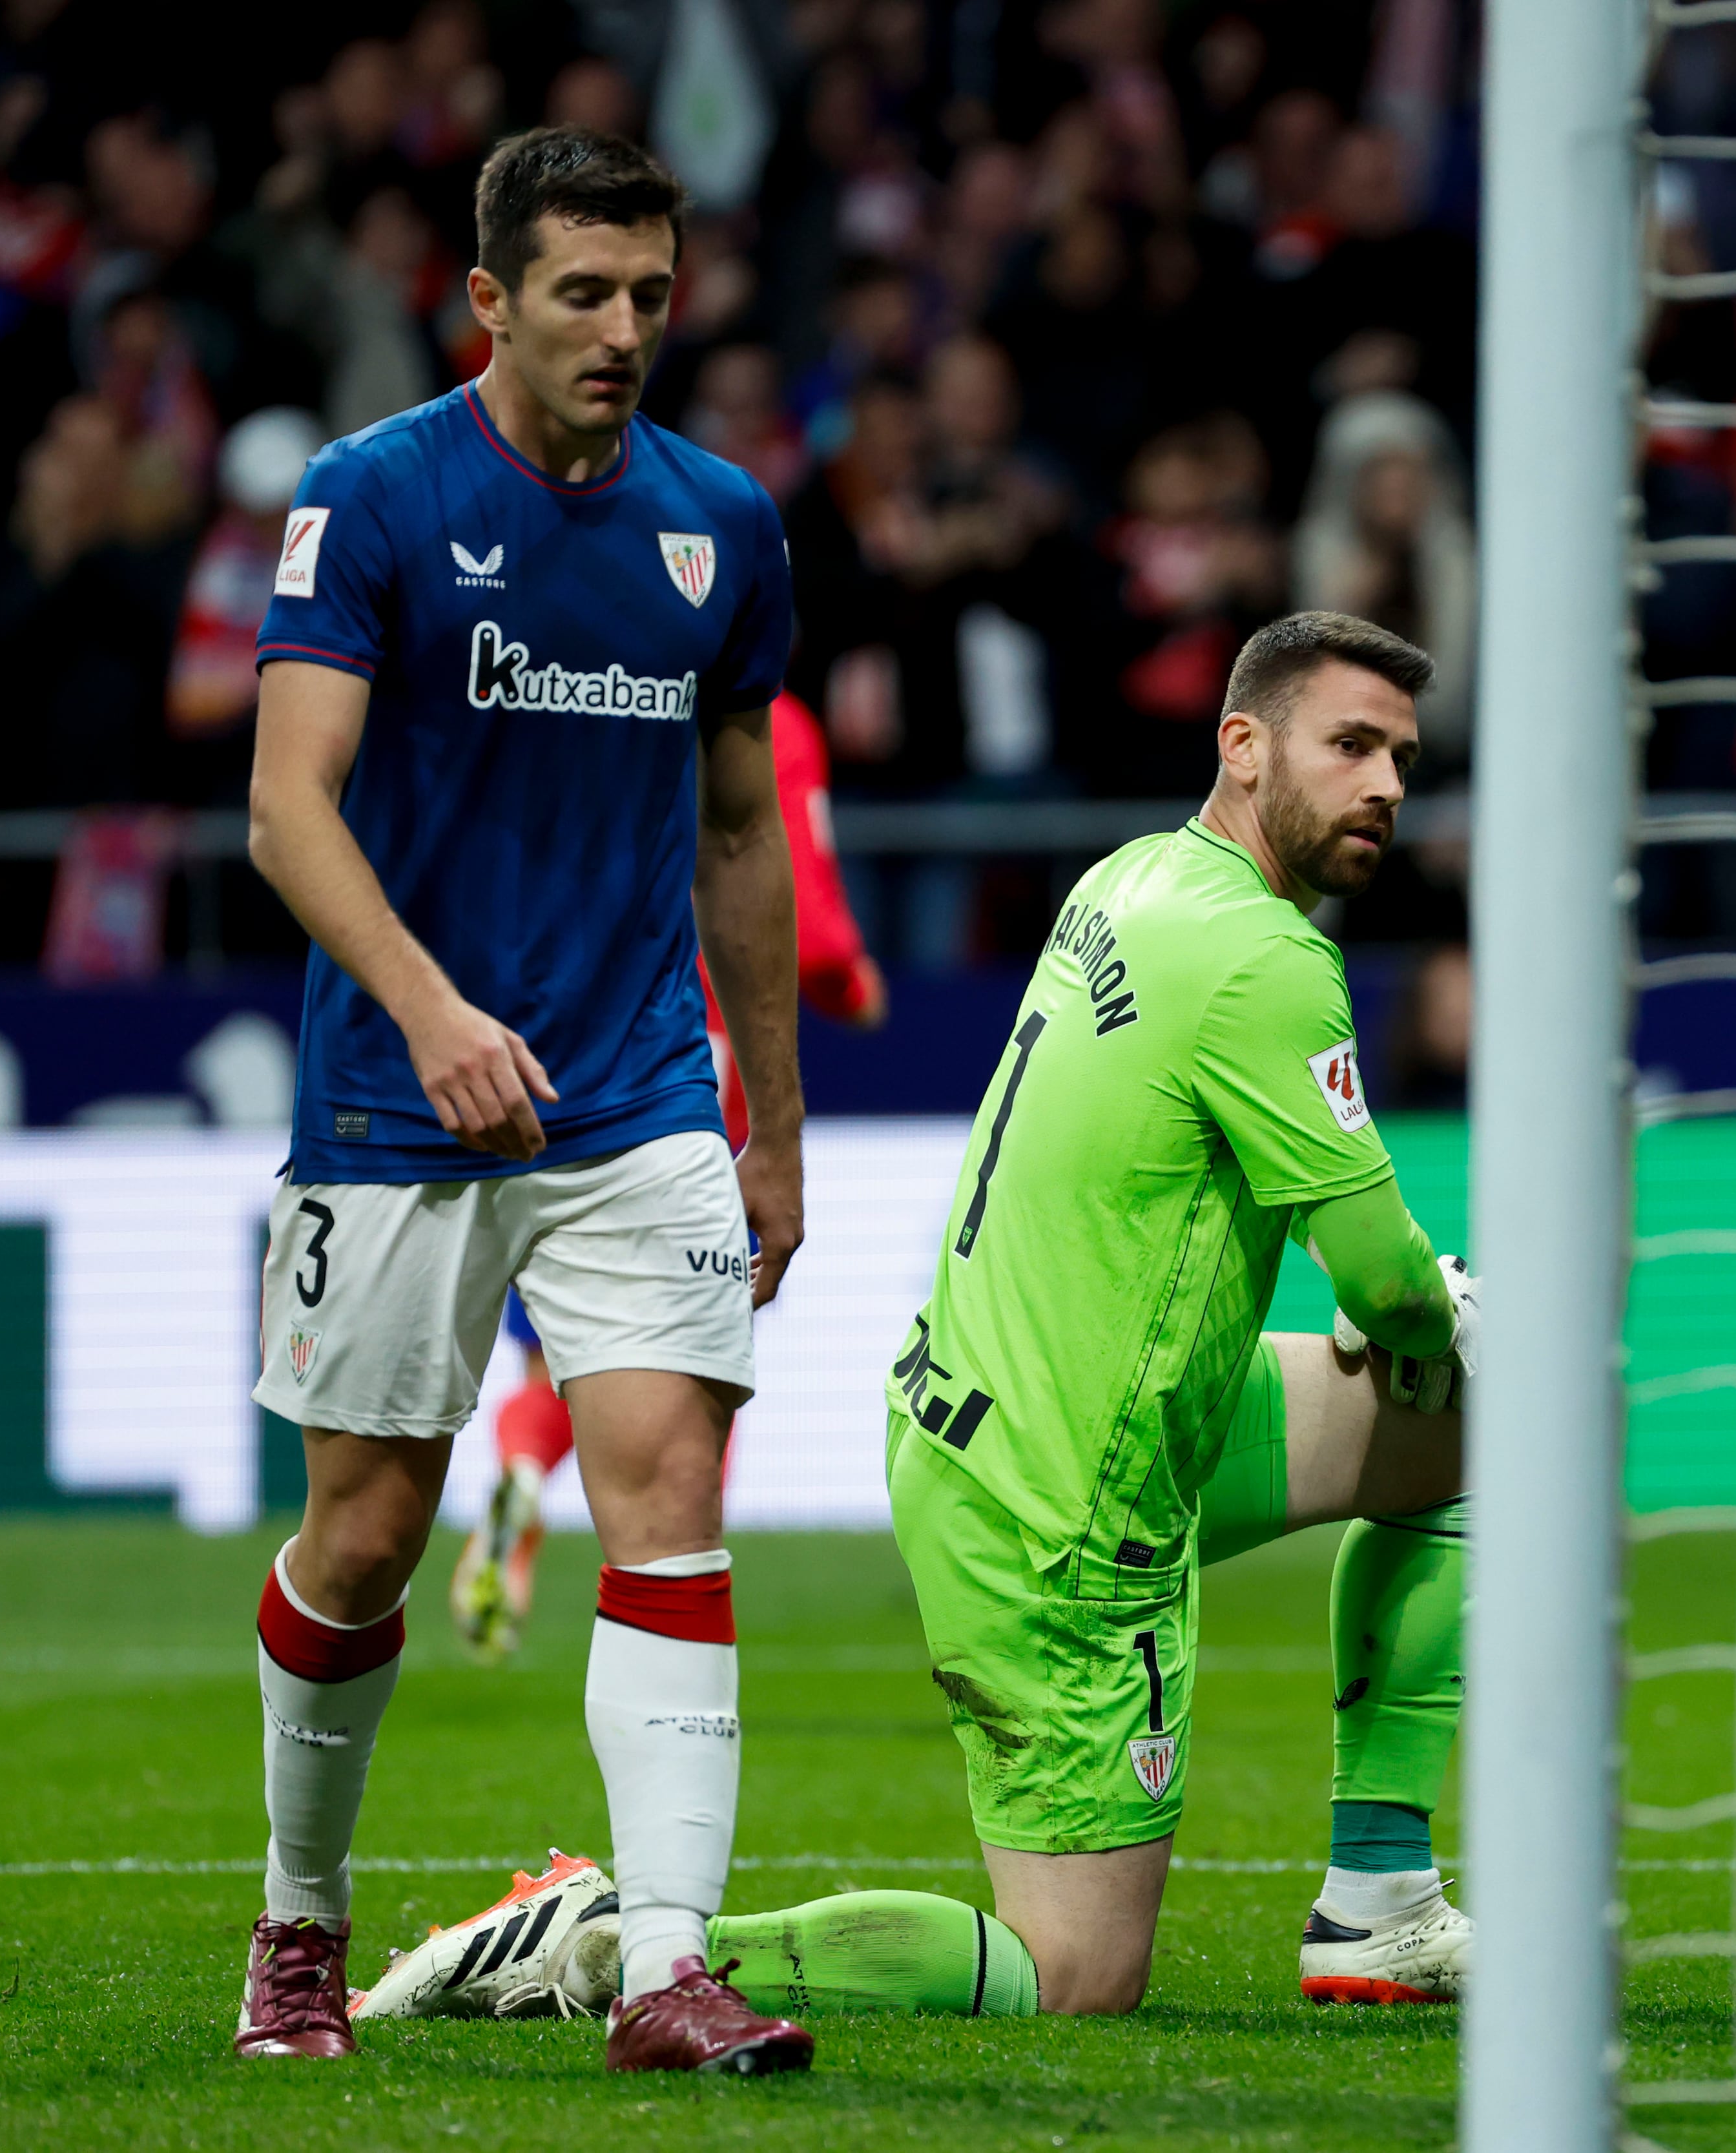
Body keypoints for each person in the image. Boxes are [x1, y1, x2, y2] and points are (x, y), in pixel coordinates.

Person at [365, 612, 1478, 2026]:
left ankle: (1380, 1904)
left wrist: (1428, 1331)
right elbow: (1382, 1284)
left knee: (1484, 1415)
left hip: (1030, 1414)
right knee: (1075, 1976)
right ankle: (601, 1942)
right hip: (1064, 1503)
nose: (1386, 781)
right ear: (1243, 746)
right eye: (1352, 743)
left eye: (1402, 755)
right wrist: (1426, 1311)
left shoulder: (1136, 878)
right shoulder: (1266, 962)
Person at [233, 124, 812, 2077]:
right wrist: (430, 1007)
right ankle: (300, 1923)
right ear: (488, 299)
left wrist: (772, 1123)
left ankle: (667, 1962)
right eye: (583, 291)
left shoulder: (720, 523)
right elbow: (284, 806)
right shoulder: (371, 497)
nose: (625, 328)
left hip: (638, 1097)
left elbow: (743, 832)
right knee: (370, 1537)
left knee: (667, 1483)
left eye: (653, 291)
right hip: (401, 1106)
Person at [449, 685, 890, 1661]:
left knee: (552, 1359)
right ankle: (681, 1607)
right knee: (698, 1365)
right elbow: (807, 923)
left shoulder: (581, 670)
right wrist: (854, 984)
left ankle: (522, 1467)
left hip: (557, 1039)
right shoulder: (772, 717)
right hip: (691, 1061)